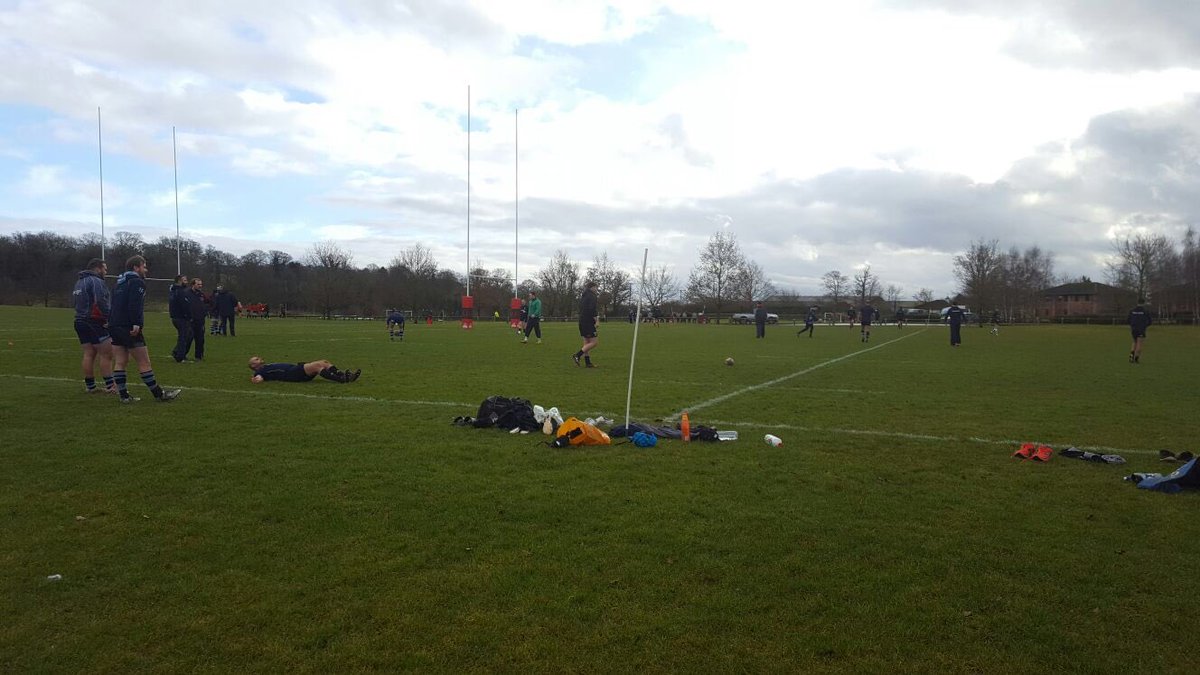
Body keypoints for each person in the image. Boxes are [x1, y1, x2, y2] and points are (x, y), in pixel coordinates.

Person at [108, 256, 181, 403]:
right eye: (144, 266)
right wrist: (136, 323)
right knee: (144, 361)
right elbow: (135, 304)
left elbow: (113, 304)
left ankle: (124, 396)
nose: (146, 269)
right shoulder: (137, 282)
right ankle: (159, 394)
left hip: (114, 325)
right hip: (128, 326)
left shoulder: (118, 283)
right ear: (136, 267)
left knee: (120, 361)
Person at [72, 258, 116, 394]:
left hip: (79, 321)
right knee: (107, 354)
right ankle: (111, 386)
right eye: (105, 269)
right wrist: (109, 318)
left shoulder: (79, 282)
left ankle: (90, 386)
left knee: (89, 353)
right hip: (94, 321)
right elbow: (101, 301)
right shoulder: (96, 281)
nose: (106, 272)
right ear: (98, 268)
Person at [248, 356, 360, 383]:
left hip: (294, 369)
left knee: (324, 362)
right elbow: (259, 378)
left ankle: (343, 375)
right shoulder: (259, 371)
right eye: (256, 359)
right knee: (317, 367)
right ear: (254, 366)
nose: (260, 358)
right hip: (291, 374)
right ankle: (341, 379)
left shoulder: (266, 366)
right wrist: (256, 379)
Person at [572, 281, 599, 367]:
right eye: (596, 287)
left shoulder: (583, 296)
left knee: (586, 342)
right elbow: (592, 309)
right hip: (588, 322)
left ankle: (588, 363)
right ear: (592, 287)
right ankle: (577, 355)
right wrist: (596, 320)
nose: (597, 289)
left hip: (582, 321)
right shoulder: (592, 296)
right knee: (594, 342)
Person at [169, 274, 193, 363]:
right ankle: (180, 357)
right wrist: (189, 316)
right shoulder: (180, 291)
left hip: (175, 317)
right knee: (184, 336)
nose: (186, 282)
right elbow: (184, 305)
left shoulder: (173, 291)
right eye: (185, 280)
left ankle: (177, 352)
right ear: (180, 281)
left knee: (189, 335)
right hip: (181, 318)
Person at [185, 278, 208, 361]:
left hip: (200, 320)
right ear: (193, 284)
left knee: (200, 338)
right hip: (190, 320)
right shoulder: (186, 293)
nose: (200, 286)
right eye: (198, 284)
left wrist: (205, 311)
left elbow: (208, 302)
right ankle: (182, 354)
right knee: (188, 338)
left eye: (201, 284)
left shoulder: (201, 294)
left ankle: (199, 356)